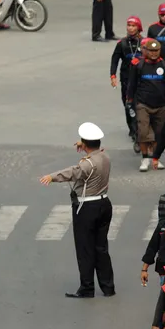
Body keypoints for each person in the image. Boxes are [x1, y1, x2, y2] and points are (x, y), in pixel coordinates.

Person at [39, 123, 114, 298]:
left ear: (85, 144)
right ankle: (108, 287)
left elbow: (73, 173)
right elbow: (96, 151)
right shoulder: (105, 157)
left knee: (85, 248)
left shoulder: (87, 164)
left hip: (87, 207)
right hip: (104, 203)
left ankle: (87, 288)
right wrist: (86, 146)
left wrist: (51, 177)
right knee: (101, 248)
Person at [128, 39, 165, 172]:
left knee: (159, 133)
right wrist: (129, 101)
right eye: (151, 51)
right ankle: (145, 158)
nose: (154, 53)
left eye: (156, 51)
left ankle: (156, 157)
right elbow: (131, 84)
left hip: (161, 105)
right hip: (143, 104)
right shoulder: (139, 65)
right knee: (143, 132)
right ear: (146, 51)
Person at [110, 16, 143, 143]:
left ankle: (138, 130)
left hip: (141, 79)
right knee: (128, 104)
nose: (130, 28)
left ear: (139, 28)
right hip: (126, 79)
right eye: (128, 25)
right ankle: (132, 127)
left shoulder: (145, 43)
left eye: (133, 25)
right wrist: (113, 76)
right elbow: (114, 60)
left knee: (139, 104)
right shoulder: (122, 43)